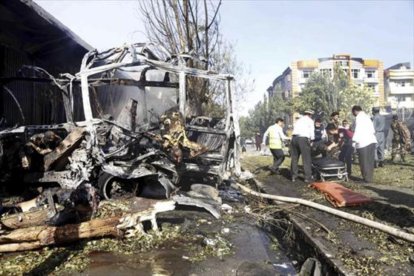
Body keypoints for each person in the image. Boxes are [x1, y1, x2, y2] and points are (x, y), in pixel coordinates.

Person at [351, 105, 377, 183]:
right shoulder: (367, 117)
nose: (353, 114)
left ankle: (366, 179)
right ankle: (369, 177)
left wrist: (354, 141)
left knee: (363, 161)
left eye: (353, 112)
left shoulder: (359, 117)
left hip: (363, 142)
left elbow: (358, 130)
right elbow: (373, 130)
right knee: (370, 160)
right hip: (371, 140)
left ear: (355, 111)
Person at [290, 110, 315, 182]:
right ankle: (307, 177)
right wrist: (312, 140)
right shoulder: (310, 121)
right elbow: (312, 131)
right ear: (310, 115)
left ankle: (294, 176)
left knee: (294, 158)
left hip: (294, 138)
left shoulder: (298, 120)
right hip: (303, 139)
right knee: (306, 158)